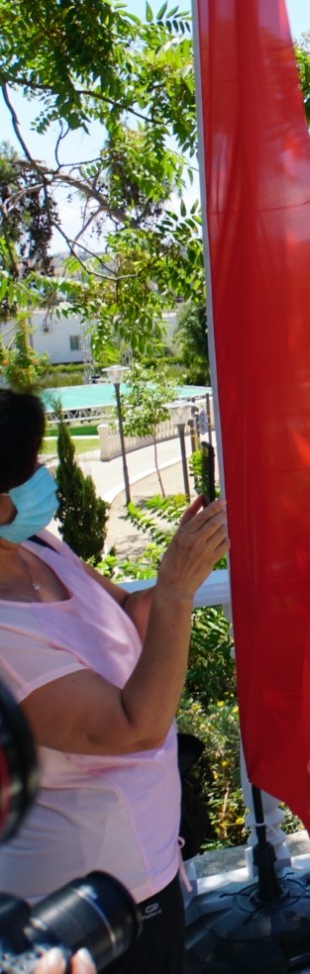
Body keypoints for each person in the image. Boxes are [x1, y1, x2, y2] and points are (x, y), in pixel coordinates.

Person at [0, 390, 229, 974]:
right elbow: (135, 728)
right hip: (83, 898)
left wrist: (191, 556)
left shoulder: (37, 546)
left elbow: (130, 613)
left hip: (147, 868)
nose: (43, 478)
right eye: (27, 470)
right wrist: (179, 591)